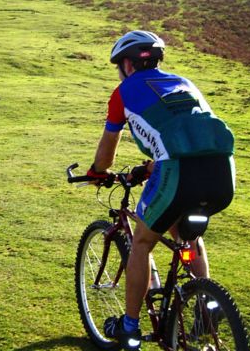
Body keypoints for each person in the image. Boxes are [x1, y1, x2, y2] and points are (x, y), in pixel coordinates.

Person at [86, 30, 235, 350]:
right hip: (223, 171)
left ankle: (129, 328)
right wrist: (153, 165)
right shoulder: (184, 83)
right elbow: (188, 133)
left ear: (126, 64)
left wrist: (98, 171)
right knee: (188, 234)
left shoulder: (123, 92)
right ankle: (203, 305)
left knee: (141, 242)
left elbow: (106, 151)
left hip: (178, 172)